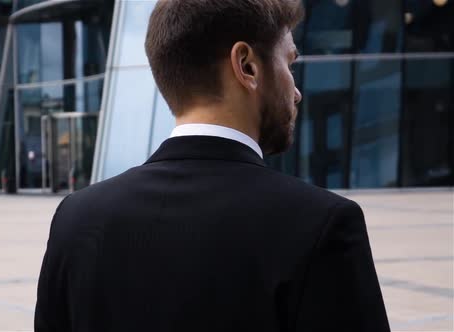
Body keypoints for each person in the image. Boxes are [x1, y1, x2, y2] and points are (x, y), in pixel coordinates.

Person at [35, 0, 390, 331]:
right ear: (247, 66)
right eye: (289, 62)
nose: (296, 91)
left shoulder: (75, 219)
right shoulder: (322, 225)